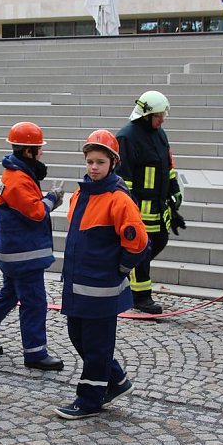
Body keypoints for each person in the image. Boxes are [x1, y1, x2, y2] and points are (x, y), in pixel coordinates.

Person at [55, 130, 149, 420]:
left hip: (101, 288)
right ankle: (117, 381)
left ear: (112, 163)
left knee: (96, 346)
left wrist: (118, 269)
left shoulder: (118, 200)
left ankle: (89, 399)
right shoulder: (82, 193)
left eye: (100, 162)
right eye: (90, 161)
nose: (93, 167)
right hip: (78, 283)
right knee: (78, 337)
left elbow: (139, 242)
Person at [0, 122, 65, 371]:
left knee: (8, 294)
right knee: (34, 302)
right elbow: (35, 212)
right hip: (24, 255)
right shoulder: (19, 178)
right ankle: (35, 353)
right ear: (28, 151)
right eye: (38, 149)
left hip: (15, 252)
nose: (41, 153)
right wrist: (52, 198)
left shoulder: (16, 173)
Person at [115, 91, 182, 314]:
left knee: (159, 242)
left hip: (158, 207)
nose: (162, 120)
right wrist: (129, 209)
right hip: (140, 209)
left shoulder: (159, 134)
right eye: (159, 116)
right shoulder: (127, 137)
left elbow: (167, 168)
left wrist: (174, 197)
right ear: (146, 115)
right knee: (141, 250)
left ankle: (124, 275)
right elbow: (124, 180)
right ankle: (141, 297)